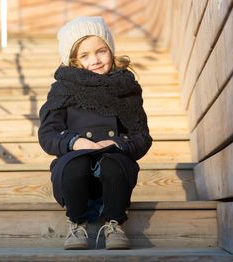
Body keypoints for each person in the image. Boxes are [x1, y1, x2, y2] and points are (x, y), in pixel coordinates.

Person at [38, 16, 152, 250]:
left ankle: (114, 223)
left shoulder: (125, 88)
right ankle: (76, 222)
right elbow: (48, 133)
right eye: (85, 55)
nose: (96, 60)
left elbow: (141, 136)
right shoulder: (62, 89)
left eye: (101, 51)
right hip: (76, 161)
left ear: (111, 50)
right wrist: (75, 142)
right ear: (73, 61)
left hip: (114, 160)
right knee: (74, 166)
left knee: (113, 165)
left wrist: (117, 143)